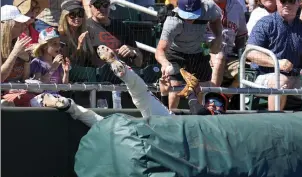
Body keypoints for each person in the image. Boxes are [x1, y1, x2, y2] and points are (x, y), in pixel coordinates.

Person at [39, 45, 227, 127]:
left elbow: (202, 116)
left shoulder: (219, 126)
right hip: (166, 125)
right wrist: (164, 94)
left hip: (167, 136)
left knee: (103, 124)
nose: (213, 105)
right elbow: (164, 110)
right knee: (142, 94)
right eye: (212, 101)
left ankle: (67, 105)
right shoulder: (199, 114)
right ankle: (121, 69)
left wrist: (191, 95)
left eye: (218, 105)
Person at [246, 0, 302, 111]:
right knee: (281, 80)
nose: (286, 4)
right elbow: (250, 53)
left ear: (298, 3)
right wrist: (276, 63)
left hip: (296, 77)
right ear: (278, 1)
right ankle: (275, 124)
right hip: (264, 75)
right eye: (283, 0)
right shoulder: (266, 23)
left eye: (291, 0)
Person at [155, 0, 222, 110]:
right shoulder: (172, 22)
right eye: (186, 15)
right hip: (176, 54)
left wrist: (218, 36)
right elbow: (160, 50)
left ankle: (198, 118)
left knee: (202, 88)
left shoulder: (209, 8)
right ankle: (171, 115)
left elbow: (216, 20)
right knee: (175, 87)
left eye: (193, 15)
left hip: (199, 51)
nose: (189, 19)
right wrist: (165, 64)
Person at [201, 0, 248, 88]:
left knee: (248, 73)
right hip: (203, 52)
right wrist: (206, 52)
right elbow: (190, 34)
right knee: (219, 57)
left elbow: (241, 36)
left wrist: (242, 56)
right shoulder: (199, 2)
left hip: (229, 55)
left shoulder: (237, 6)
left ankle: (224, 99)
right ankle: (211, 98)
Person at [86, 0, 143, 68]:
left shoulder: (121, 26)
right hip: (99, 75)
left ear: (109, 5)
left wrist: (133, 52)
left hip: (124, 73)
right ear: (90, 6)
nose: (102, 8)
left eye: (105, 4)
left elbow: (139, 62)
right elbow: (80, 60)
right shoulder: (86, 27)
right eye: (97, 5)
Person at [0, 5, 34, 106]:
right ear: (5, 25)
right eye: (18, 25)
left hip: (18, 93)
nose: (23, 27)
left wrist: (27, 60)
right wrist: (15, 53)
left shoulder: (16, 43)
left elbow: (25, 78)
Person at [58, 0, 94, 67]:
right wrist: (79, 46)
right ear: (65, 16)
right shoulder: (61, 36)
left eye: (80, 14)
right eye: (72, 14)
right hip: (69, 73)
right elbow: (66, 63)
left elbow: (92, 57)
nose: (77, 18)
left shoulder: (87, 31)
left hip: (86, 71)